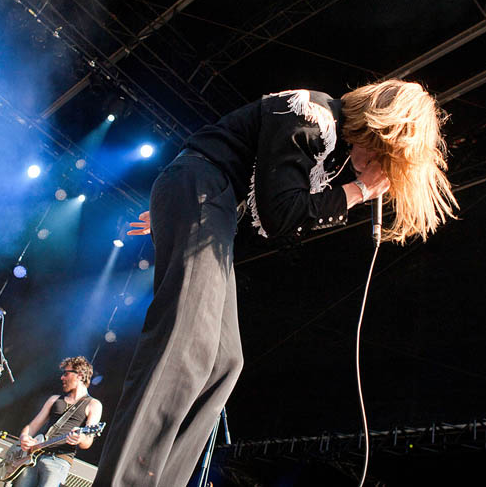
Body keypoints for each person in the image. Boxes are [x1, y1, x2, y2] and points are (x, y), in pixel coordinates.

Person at [93, 80, 458, 486]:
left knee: (223, 362)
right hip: (201, 187)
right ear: (375, 130)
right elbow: (278, 216)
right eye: (382, 156)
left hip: (211, 209)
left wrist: (176, 211)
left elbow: (271, 218)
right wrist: (358, 191)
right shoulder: (312, 114)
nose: (378, 170)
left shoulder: (328, 150)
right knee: (186, 342)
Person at [14, 356, 103, 487]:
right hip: (33, 456)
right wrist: (24, 438)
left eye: (66, 373)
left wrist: (80, 438)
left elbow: (87, 441)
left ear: (79, 375)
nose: (62, 378)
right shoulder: (54, 399)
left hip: (59, 461)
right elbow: (31, 427)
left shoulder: (94, 404)